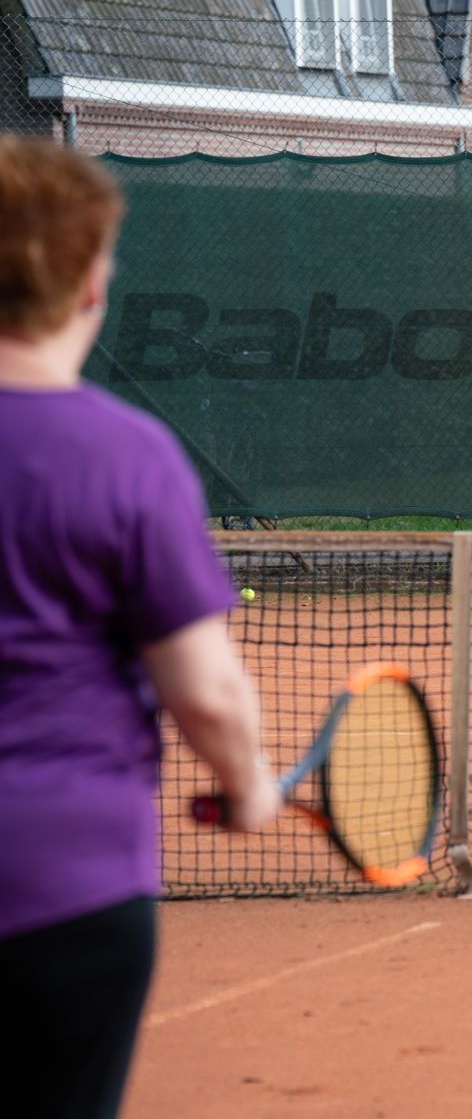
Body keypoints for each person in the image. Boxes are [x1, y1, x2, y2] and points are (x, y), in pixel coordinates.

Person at [0, 138, 283, 1118]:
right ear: (86, 287)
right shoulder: (126, 458)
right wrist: (248, 787)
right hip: (66, 889)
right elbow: (202, 690)